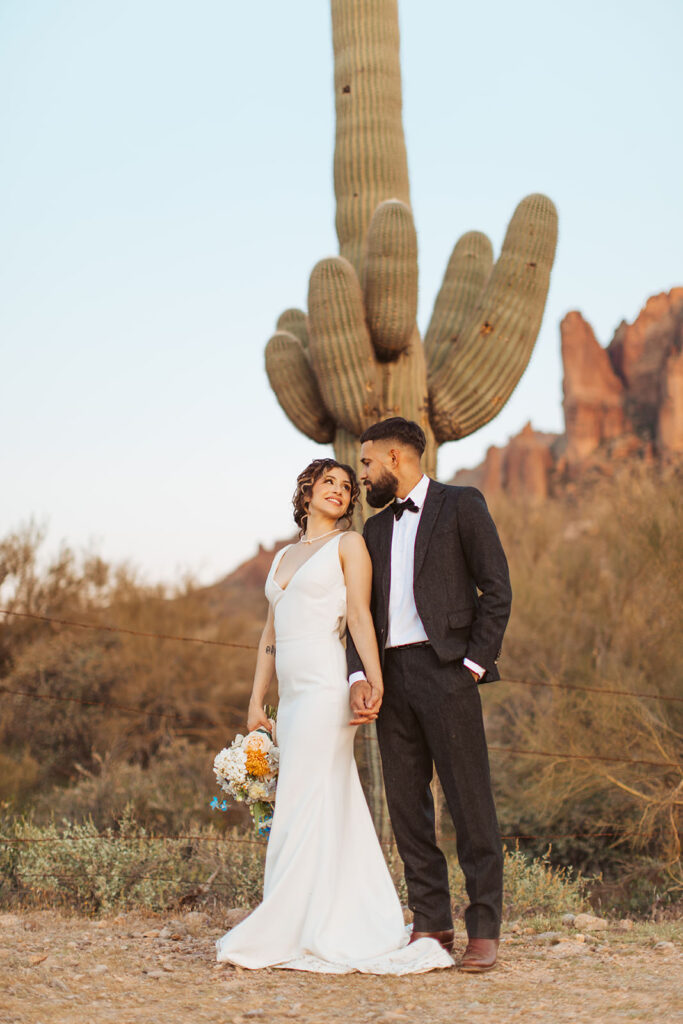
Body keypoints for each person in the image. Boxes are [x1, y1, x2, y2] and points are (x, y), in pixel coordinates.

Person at [216, 458, 452, 975]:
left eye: (348, 487)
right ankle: (314, 914)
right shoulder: (282, 555)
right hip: (293, 698)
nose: (340, 492)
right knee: (315, 798)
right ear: (306, 491)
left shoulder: (349, 546)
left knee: (307, 795)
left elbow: (362, 616)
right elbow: (269, 637)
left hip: (327, 689)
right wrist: (258, 701)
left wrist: (374, 679)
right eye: (330, 483)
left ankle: (293, 921)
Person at [346, 418, 512, 973]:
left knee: (470, 803)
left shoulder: (462, 504)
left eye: (367, 463)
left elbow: (497, 589)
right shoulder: (372, 531)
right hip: (390, 677)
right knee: (407, 807)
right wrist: (359, 677)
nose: (362, 474)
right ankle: (432, 924)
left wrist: (471, 665)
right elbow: (358, 616)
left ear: (396, 457)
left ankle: (484, 928)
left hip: (447, 672)